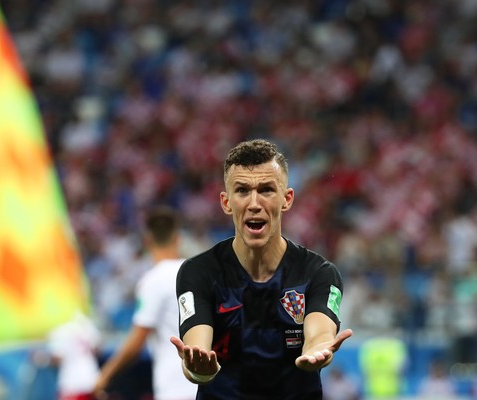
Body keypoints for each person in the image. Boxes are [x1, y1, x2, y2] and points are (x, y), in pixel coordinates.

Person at [169, 139, 353, 399]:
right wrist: (198, 369)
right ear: (226, 202)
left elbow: (320, 333)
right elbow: (197, 348)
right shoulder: (199, 272)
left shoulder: (318, 273)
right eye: (242, 190)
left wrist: (318, 350)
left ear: (287, 199)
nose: (254, 203)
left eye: (266, 189)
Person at [94, 207, 197, 400]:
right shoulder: (199, 273)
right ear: (177, 239)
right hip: (207, 382)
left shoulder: (153, 281)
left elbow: (137, 340)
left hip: (176, 387)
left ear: (147, 241)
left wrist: (104, 376)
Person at [33, 311, 102, 400]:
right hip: (91, 378)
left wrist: (41, 358)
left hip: (71, 383)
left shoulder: (60, 329)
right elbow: (97, 349)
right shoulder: (85, 324)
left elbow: (58, 358)